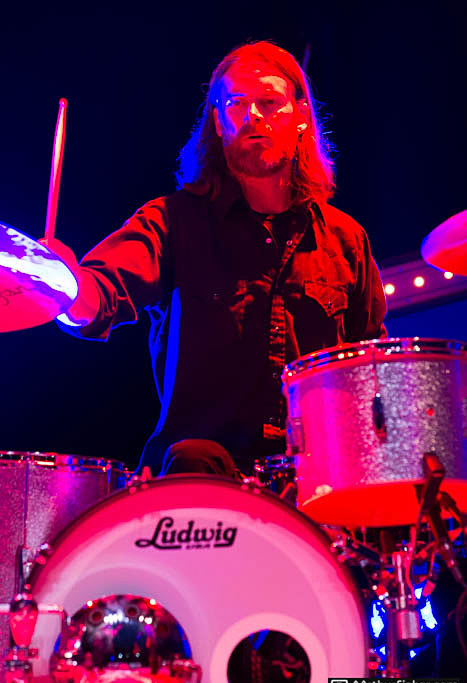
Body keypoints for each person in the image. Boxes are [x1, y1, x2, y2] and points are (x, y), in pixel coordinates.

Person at [49, 40, 387, 478]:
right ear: (217, 121)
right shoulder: (173, 221)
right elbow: (100, 293)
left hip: (314, 486)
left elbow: (372, 371)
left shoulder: (346, 239)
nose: (253, 116)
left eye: (269, 102)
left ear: (302, 115)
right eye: (236, 104)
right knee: (194, 456)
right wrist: (61, 285)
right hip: (198, 487)